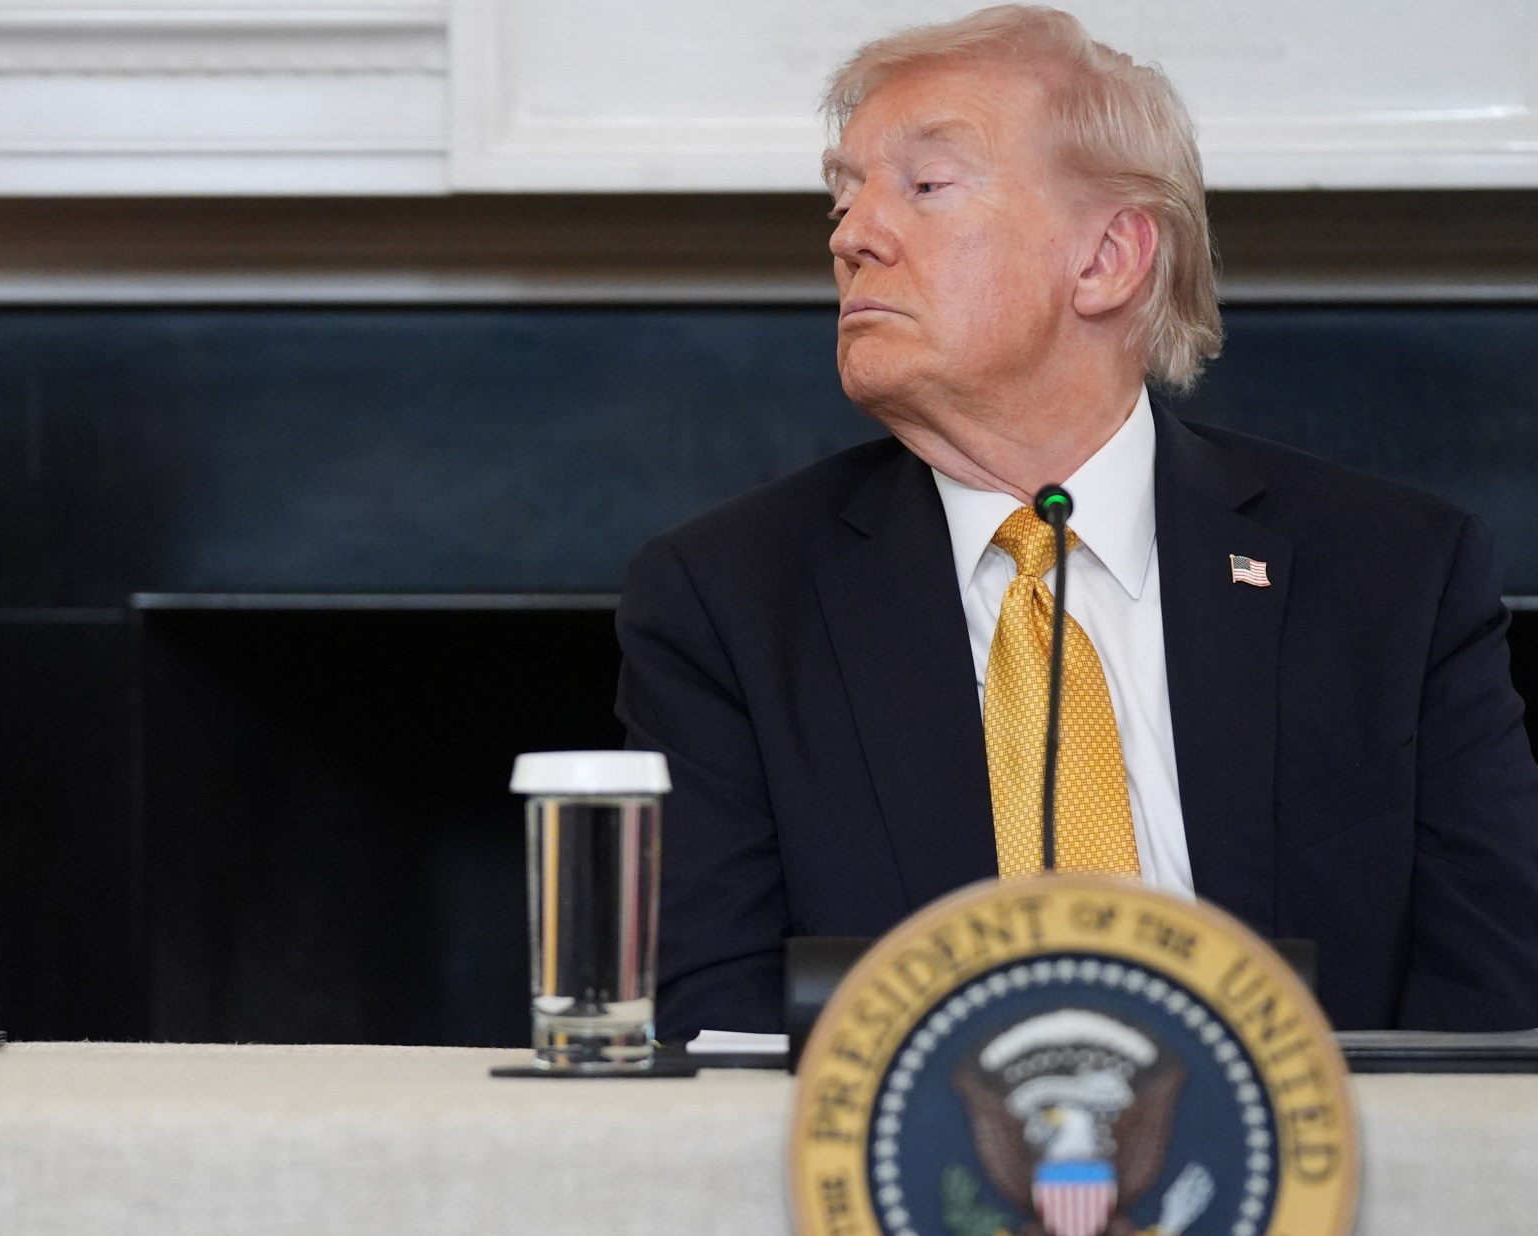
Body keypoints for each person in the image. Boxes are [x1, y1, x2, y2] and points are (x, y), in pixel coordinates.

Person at [616, 4, 1538, 1037]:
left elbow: (1491, 1011)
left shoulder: (1393, 578)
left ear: (1105, 259)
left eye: (923, 186)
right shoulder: (727, 601)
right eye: (844, 195)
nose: (852, 235)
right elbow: (715, 1029)